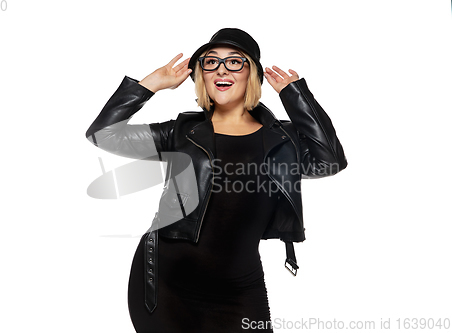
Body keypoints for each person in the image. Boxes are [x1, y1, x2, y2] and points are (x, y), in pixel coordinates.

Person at [85, 28, 347, 333]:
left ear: (253, 74)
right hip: (167, 285)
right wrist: (150, 85)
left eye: (235, 62)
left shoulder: (282, 138)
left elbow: (330, 161)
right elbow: (103, 135)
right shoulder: (181, 132)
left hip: (240, 288)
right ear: (202, 76)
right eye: (211, 63)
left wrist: (294, 96)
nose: (221, 69)